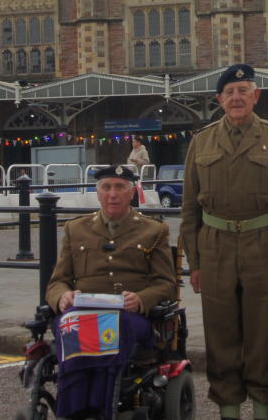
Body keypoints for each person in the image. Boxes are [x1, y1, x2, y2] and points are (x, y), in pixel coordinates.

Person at [179, 64, 268, 420]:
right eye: (229, 92)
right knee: (220, 333)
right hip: (215, 246)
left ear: (256, 96)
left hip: (263, 244)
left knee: (261, 333)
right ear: (219, 100)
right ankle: (228, 410)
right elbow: (190, 208)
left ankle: (262, 410)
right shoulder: (202, 141)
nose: (236, 97)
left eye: (243, 90)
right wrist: (194, 263)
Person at [45, 165, 178, 419]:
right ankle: (72, 410)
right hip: (83, 310)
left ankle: (101, 408)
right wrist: (62, 296)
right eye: (106, 187)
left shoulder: (154, 231)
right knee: (69, 324)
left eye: (119, 187)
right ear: (97, 193)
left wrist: (141, 300)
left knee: (114, 327)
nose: (112, 194)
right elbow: (57, 281)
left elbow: (166, 283)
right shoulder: (76, 229)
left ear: (131, 193)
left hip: (128, 314)